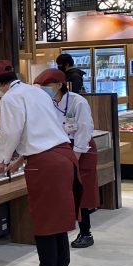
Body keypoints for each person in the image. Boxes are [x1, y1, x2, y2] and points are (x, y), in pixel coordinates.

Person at [0, 60, 81, 266]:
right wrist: (20, 160)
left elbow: (11, 132)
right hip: (63, 156)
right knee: (58, 220)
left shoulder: (10, 98)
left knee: (45, 220)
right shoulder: (36, 92)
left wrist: (2, 160)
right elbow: (42, 127)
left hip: (45, 163)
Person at [34, 68, 98, 249]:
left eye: (46, 85)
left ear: (59, 85)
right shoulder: (46, 102)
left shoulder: (78, 101)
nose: (43, 89)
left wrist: (75, 155)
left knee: (81, 191)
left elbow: (84, 128)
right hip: (60, 147)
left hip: (81, 148)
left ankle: (86, 232)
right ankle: (62, 229)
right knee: (62, 191)